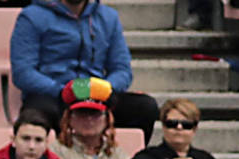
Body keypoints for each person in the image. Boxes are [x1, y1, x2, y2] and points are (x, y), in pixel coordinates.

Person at [11, 0, 159, 141]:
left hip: (96, 92)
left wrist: (104, 88)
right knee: (38, 113)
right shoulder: (32, 16)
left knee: (145, 107)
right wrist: (64, 90)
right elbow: (23, 72)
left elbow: (122, 69)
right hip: (54, 94)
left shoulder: (108, 17)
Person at [50, 84, 131, 159]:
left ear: (107, 119)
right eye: (81, 113)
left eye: (95, 113)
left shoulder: (116, 152)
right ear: (69, 118)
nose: (88, 119)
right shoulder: (56, 152)